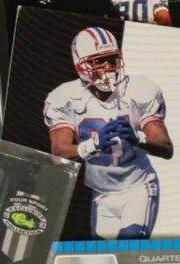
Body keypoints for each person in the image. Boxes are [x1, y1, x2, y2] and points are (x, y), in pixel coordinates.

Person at [44, 25, 171, 238]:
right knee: (105, 257)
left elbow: (165, 147)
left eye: (111, 60)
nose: (107, 68)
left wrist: (137, 138)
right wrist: (94, 144)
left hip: (138, 187)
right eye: (97, 62)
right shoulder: (63, 97)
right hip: (101, 195)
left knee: (128, 246)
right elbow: (58, 153)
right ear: (81, 66)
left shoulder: (140, 90)